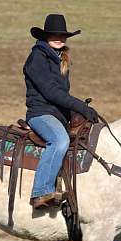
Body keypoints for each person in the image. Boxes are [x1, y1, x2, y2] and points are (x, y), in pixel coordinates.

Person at [23, 14, 99, 209]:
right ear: (45, 36)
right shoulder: (36, 59)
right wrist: (80, 107)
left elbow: (61, 94)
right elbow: (51, 93)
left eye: (62, 35)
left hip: (58, 114)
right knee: (60, 140)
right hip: (40, 114)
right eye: (54, 34)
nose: (59, 37)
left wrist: (77, 113)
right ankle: (40, 192)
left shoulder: (60, 59)